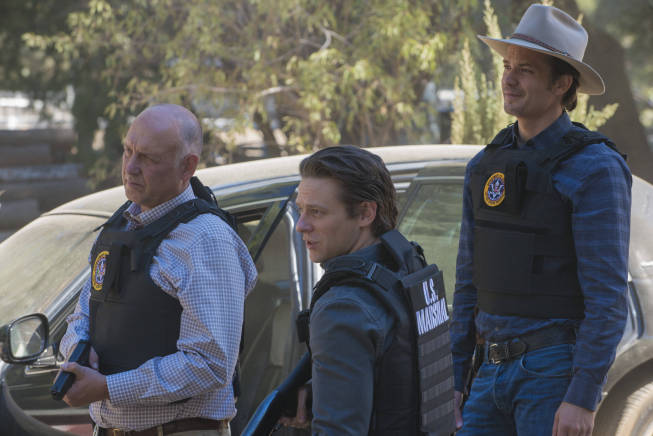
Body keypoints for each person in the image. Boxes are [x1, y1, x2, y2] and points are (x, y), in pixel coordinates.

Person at [450, 4, 632, 436]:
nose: (509, 79)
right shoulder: (483, 165)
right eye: (507, 67)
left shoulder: (594, 168)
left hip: (552, 374)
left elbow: (607, 298)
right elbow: (468, 280)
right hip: (486, 373)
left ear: (562, 84)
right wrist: (454, 379)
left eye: (526, 70)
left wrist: (582, 396)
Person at [57, 104, 257, 435]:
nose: (130, 167)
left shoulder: (206, 240)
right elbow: (82, 317)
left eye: (148, 158)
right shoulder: (121, 226)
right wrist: (79, 353)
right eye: (128, 151)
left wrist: (108, 387)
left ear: (187, 166)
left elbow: (209, 364)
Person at [286, 145, 455, 435]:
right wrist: (326, 389)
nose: (301, 225)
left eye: (316, 212)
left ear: (365, 213)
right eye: (301, 210)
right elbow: (403, 376)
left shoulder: (343, 306)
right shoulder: (409, 268)